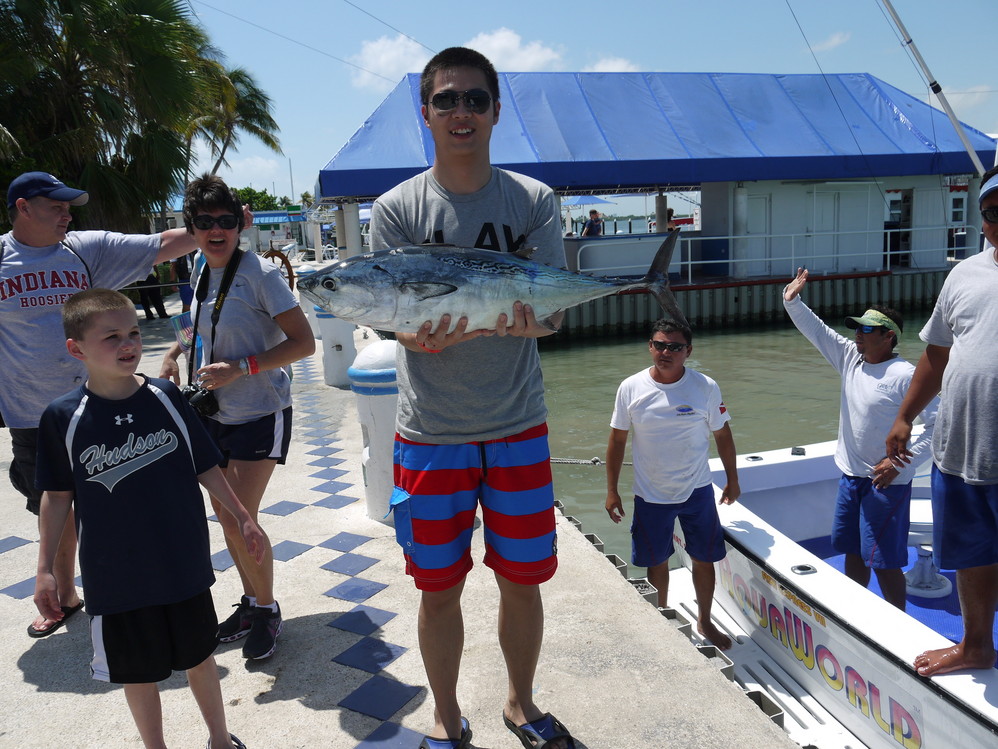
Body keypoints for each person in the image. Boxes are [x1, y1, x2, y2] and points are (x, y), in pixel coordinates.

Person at [368, 47, 576, 749]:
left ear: (495, 111)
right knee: (438, 586)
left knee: (523, 580)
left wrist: (539, 319)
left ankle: (519, 702)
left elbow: (552, 311)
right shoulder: (396, 210)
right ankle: (445, 712)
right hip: (430, 432)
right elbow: (394, 311)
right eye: (447, 100)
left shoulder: (534, 201)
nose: (462, 112)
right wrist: (411, 335)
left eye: (476, 100)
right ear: (424, 112)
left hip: (517, 423)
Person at [33, 288, 264, 749]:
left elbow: (205, 465)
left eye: (134, 332)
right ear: (75, 348)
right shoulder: (63, 417)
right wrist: (44, 570)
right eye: (111, 336)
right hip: (115, 577)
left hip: (183, 564)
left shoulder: (166, 397)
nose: (128, 344)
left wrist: (242, 516)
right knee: (137, 674)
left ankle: (220, 739)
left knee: (200, 659)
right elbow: (56, 497)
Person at [1, 170, 212, 638]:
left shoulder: (84, 247)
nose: (66, 213)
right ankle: (61, 594)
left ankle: (133, 587)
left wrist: (213, 224)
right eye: (55, 205)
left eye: (68, 206)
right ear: (23, 208)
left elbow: (160, 244)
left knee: (119, 496)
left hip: (98, 405)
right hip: (32, 412)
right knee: (50, 504)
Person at [160, 174, 314, 661]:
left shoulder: (261, 275)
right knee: (225, 517)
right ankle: (251, 602)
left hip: (259, 410)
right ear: (193, 227)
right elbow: (199, 325)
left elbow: (304, 343)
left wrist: (240, 368)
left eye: (226, 221)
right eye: (205, 223)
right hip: (217, 412)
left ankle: (266, 611)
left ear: (238, 226)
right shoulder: (200, 270)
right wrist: (174, 351)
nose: (216, 231)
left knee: (241, 516)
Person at [885, 165, 998, 676]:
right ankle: (976, 645)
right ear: (982, 219)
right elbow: (936, 355)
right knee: (972, 554)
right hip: (960, 452)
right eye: (993, 213)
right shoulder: (964, 274)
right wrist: (905, 415)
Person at [784, 271, 937, 609]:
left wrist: (897, 465)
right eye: (856, 328)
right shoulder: (851, 359)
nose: (857, 335)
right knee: (851, 549)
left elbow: (938, 425)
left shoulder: (907, 376)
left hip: (887, 484)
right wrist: (791, 300)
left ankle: (896, 620)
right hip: (850, 478)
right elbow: (817, 331)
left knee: (884, 561)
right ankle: (855, 612)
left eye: (866, 329)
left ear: (889, 337)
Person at [605, 318, 739, 651]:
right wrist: (611, 490)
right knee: (657, 561)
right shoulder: (630, 388)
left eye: (675, 347)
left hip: (697, 491)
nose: (666, 352)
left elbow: (722, 435)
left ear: (688, 351)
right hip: (651, 494)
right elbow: (617, 441)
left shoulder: (705, 387)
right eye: (660, 344)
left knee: (704, 558)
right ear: (650, 346)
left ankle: (705, 621)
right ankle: (663, 619)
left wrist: (733, 479)